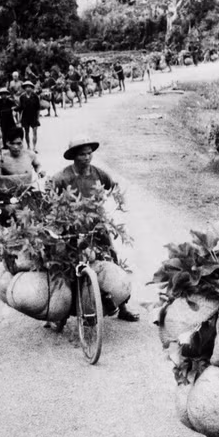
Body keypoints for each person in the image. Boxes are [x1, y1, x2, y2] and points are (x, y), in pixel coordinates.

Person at [50, 135, 140, 322]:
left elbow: (113, 187)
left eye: (90, 153)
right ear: (74, 156)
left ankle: (122, 305)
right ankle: (62, 311)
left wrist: (114, 202)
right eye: (82, 154)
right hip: (71, 228)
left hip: (95, 226)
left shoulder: (99, 174)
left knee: (111, 259)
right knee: (67, 266)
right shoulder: (62, 177)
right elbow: (49, 199)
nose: (87, 157)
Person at [17, 81, 41, 150]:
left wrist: (38, 118)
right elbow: (20, 108)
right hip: (25, 117)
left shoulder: (35, 96)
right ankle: (28, 146)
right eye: (26, 87)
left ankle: (34, 147)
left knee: (35, 132)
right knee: (26, 132)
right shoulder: (22, 97)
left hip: (33, 116)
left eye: (29, 87)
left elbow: (38, 108)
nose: (28, 88)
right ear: (24, 88)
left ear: (32, 88)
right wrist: (19, 119)